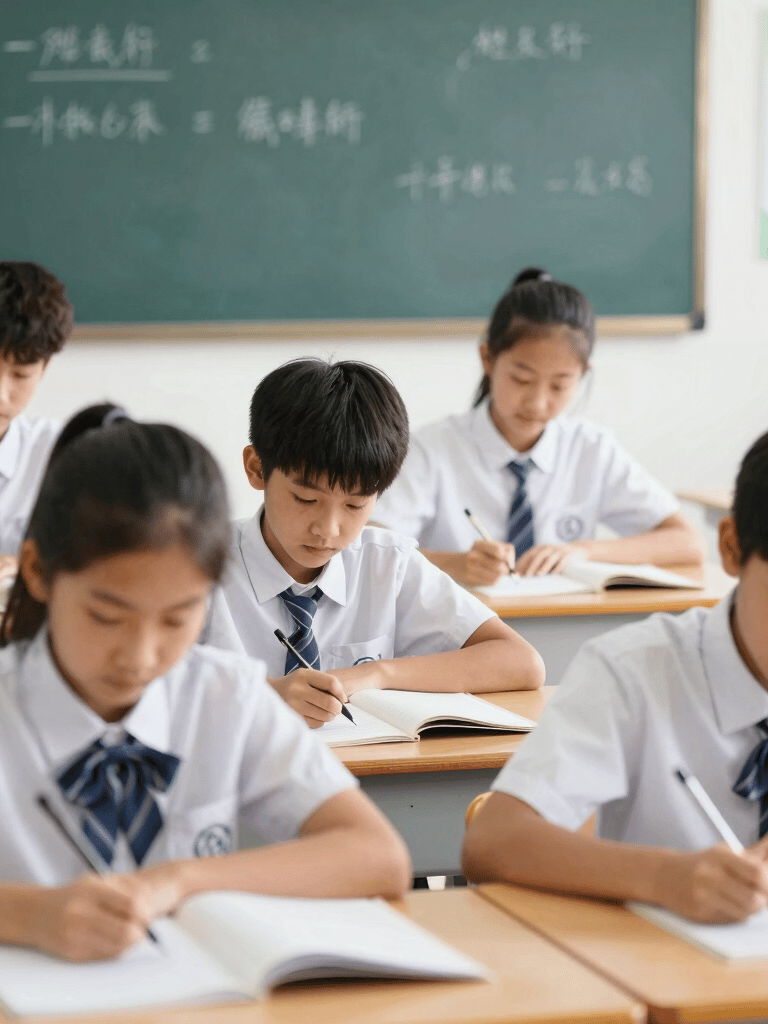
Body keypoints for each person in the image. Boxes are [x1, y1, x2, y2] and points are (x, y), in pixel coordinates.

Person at [0, 403, 410, 963]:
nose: (141, 656)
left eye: (177, 619)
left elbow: (378, 857)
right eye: (106, 616)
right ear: (38, 572)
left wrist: (178, 880)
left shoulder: (221, 694)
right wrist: (28, 915)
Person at [462, 429, 768, 924]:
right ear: (732, 549)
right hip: (669, 976)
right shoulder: (634, 671)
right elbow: (494, 842)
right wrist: (665, 878)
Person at [205, 359, 543, 729]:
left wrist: (376, 675)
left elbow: (521, 663)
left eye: (355, 505)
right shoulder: (197, 566)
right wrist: (265, 695)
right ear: (256, 469)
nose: (328, 529)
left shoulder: (385, 561)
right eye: (305, 499)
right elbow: (148, 693)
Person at [373, 267, 704, 586]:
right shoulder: (434, 448)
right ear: (488, 359)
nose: (538, 403)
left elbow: (688, 542)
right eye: (522, 379)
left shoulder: (590, 448)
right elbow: (371, 542)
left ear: (582, 376)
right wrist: (456, 564)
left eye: (559, 385)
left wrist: (583, 550)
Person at [0, 261, 73, 579]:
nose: (2, 395)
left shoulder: (63, 454)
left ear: (44, 369)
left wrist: (34, 571)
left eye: (21, 375)